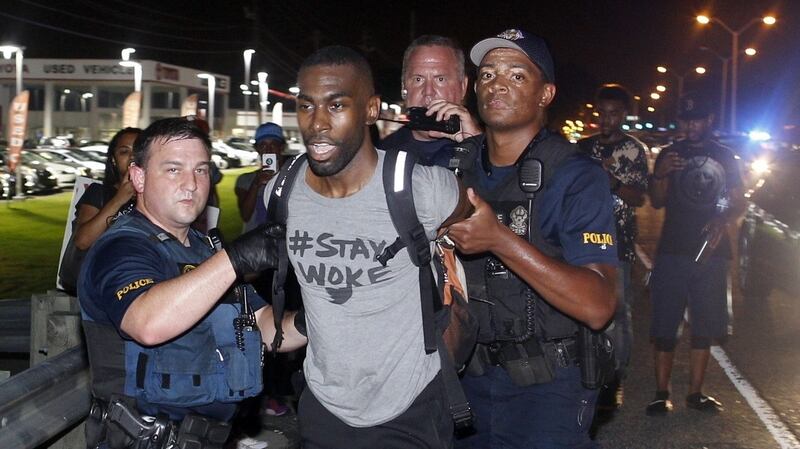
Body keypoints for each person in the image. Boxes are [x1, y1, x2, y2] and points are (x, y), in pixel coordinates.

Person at [262, 45, 469, 448]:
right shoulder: (281, 192)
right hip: (322, 405)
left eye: (336, 105)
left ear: (372, 109)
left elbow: (476, 225)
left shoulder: (421, 188)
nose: (317, 123)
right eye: (306, 106)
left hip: (409, 408)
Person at [78, 117, 299, 449]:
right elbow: (147, 323)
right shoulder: (121, 247)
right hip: (143, 440)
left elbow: (265, 325)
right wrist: (235, 260)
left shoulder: (204, 249)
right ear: (138, 177)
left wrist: (319, 318)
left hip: (211, 437)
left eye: (200, 170)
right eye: (173, 170)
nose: (192, 184)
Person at [446, 29, 618, 448]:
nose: (498, 83)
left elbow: (598, 305)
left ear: (546, 93)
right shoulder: (456, 170)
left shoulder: (577, 177)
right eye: (487, 74)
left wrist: (499, 239)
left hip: (550, 388)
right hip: (466, 379)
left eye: (517, 75)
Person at [646, 93, 745, 415]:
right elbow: (657, 201)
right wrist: (660, 173)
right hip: (673, 249)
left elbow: (739, 200)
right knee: (665, 324)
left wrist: (723, 217)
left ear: (710, 120)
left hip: (712, 254)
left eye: (697, 120)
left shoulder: (726, 156)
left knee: (705, 325)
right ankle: (662, 393)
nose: (690, 126)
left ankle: (696, 393)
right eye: (686, 120)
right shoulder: (670, 154)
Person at [578, 84, 649, 409]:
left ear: (623, 115)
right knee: (584, 311)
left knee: (618, 312)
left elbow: (640, 197)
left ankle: (614, 379)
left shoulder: (633, 150)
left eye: (613, 113)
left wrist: (614, 183)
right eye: (602, 113)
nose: (606, 120)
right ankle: (587, 374)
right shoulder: (581, 148)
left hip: (618, 243)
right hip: (581, 242)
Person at [59, 128, 142, 295]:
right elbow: (83, 241)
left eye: (139, 150)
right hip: (100, 288)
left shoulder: (158, 198)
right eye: (124, 152)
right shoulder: (98, 193)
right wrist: (119, 199)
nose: (132, 157)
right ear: (113, 159)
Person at [380, 35, 482, 167]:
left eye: (440, 79)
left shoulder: (485, 151)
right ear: (403, 87)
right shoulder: (382, 155)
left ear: (463, 87)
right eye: (418, 79)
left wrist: (477, 147)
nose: (428, 91)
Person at [235, 122, 288, 233]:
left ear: (281, 147)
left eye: (273, 144)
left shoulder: (292, 177)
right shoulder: (245, 180)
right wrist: (256, 184)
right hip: (255, 244)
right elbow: (245, 216)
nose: (268, 150)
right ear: (257, 149)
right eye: (263, 145)